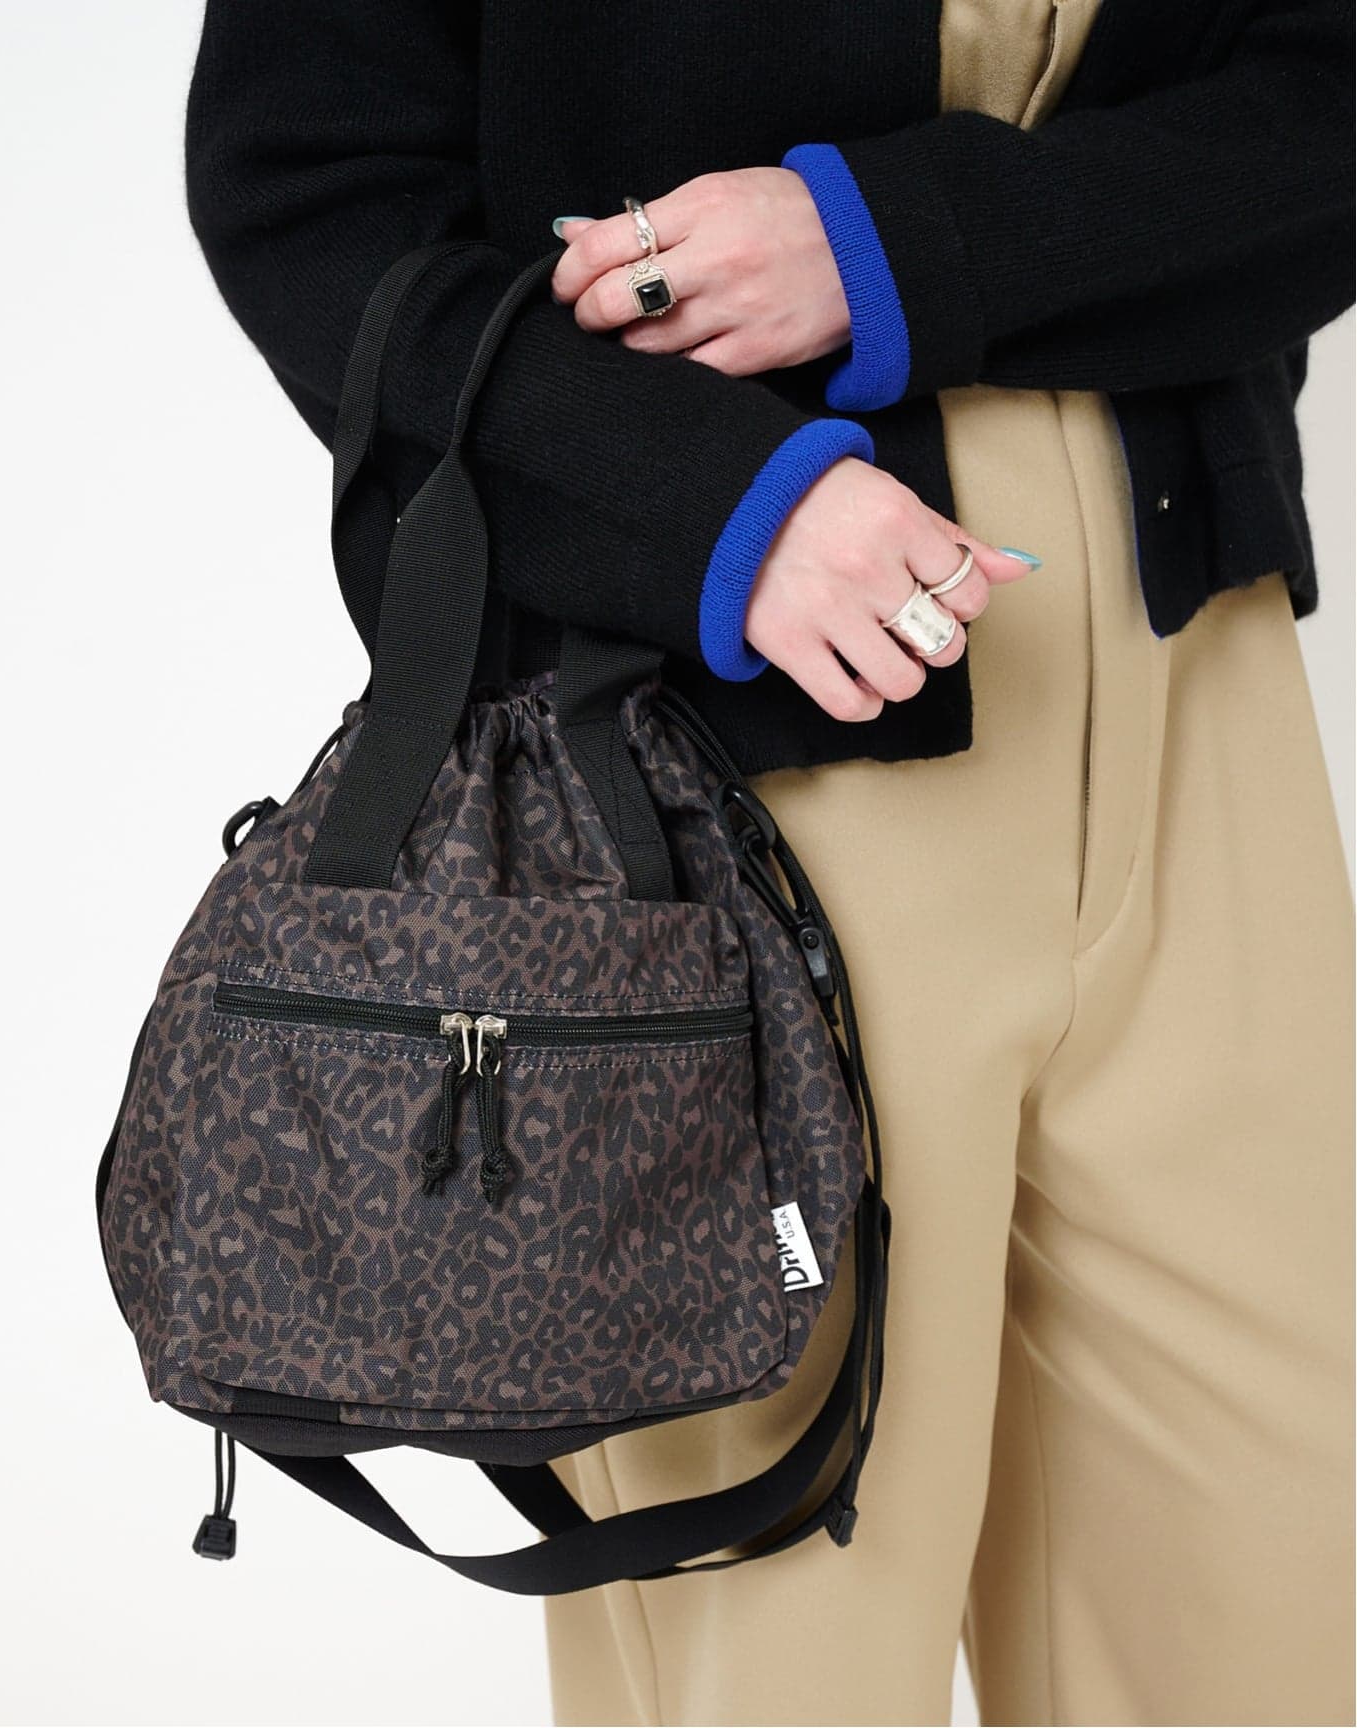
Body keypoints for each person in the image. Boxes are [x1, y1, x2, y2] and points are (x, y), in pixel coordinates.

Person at [183, 1, 1355, 1721]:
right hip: (719, 776)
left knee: (1274, 1623)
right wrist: (708, 502)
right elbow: (310, 188)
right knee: (782, 1659)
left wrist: (888, 247)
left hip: (1208, 711)